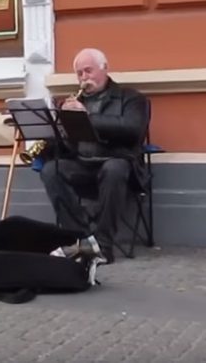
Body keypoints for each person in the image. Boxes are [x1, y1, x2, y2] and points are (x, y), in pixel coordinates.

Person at [39, 48, 149, 264]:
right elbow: (66, 148)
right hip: (83, 165)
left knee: (114, 168)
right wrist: (57, 128)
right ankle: (81, 238)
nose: (84, 78)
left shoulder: (131, 98)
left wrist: (87, 116)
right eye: (79, 73)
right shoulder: (74, 102)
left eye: (88, 71)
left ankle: (103, 245)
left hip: (119, 165)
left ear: (104, 68)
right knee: (51, 170)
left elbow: (133, 130)